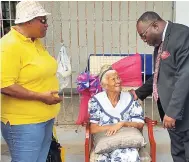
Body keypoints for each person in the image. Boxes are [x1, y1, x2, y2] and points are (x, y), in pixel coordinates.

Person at [1, 1, 62, 162]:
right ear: (28, 21)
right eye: (43, 20)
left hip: (44, 118)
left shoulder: (34, 42)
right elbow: (5, 85)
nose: (46, 25)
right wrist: (41, 97)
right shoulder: (9, 45)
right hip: (24, 123)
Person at [130, 11, 189, 162]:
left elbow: (185, 76)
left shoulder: (182, 36)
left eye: (143, 35)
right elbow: (159, 75)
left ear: (155, 25)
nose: (143, 40)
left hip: (182, 111)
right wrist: (138, 93)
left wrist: (173, 112)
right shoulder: (160, 44)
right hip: (169, 112)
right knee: (178, 153)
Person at [88, 65, 144, 162]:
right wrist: (112, 127)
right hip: (105, 142)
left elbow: (140, 123)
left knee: (130, 155)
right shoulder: (96, 101)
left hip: (128, 141)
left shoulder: (130, 98)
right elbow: (94, 128)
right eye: (113, 79)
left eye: (118, 78)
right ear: (105, 85)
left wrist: (122, 124)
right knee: (104, 158)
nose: (118, 81)